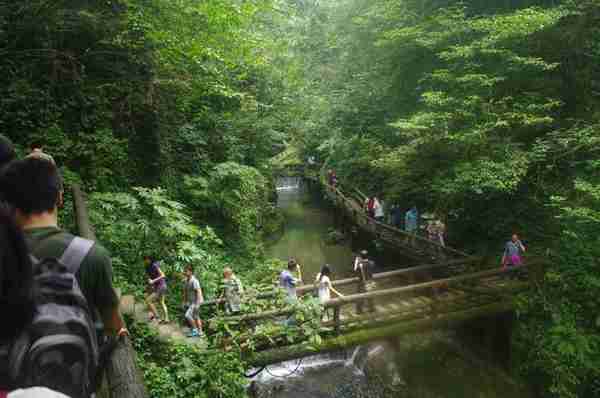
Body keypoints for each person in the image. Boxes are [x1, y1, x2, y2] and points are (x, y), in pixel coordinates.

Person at [0, 158, 127, 339]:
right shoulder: (93, 256)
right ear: (59, 197)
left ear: (9, 202)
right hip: (67, 362)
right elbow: (112, 324)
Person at [144, 255, 169, 324]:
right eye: (145, 259)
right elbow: (149, 277)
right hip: (158, 286)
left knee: (148, 300)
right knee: (161, 302)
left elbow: (163, 275)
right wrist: (150, 281)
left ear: (150, 259)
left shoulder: (155, 265)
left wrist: (153, 281)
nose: (146, 261)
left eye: (147, 259)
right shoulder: (147, 267)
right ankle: (166, 318)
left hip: (161, 286)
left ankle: (158, 318)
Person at [183, 264, 203, 338]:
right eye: (184, 271)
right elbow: (185, 292)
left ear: (191, 272)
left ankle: (195, 330)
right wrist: (184, 302)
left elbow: (198, 292)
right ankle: (200, 332)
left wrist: (197, 304)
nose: (185, 272)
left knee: (187, 315)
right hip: (192, 302)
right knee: (196, 316)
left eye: (186, 271)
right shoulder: (186, 280)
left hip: (196, 301)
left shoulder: (194, 281)